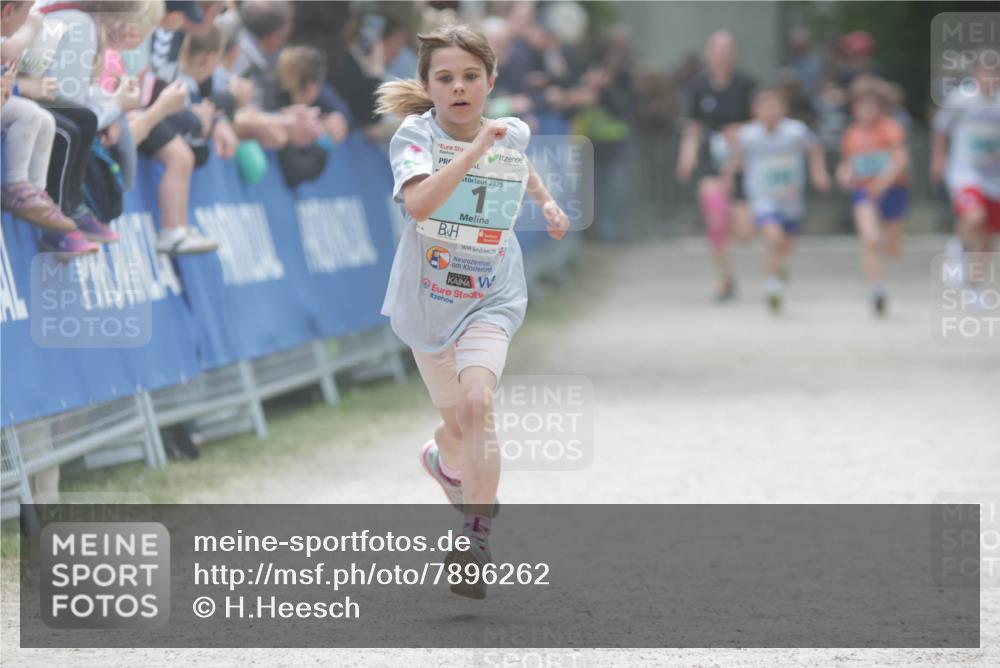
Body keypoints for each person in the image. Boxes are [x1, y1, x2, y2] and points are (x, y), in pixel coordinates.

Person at [375, 23, 569, 599]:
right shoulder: (414, 135)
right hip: (430, 300)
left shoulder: (509, 133)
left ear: (490, 80)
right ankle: (444, 458)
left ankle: (476, 538)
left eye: (469, 77)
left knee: (478, 401)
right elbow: (418, 203)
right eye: (445, 78)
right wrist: (476, 149)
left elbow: (519, 165)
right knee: (458, 423)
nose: (458, 88)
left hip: (493, 291)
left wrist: (547, 201)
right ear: (427, 85)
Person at [724, 87, 831, 314]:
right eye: (764, 106)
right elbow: (735, 157)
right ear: (755, 111)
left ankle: (780, 269)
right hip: (762, 197)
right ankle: (772, 286)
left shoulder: (796, 131)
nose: (770, 111)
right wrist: (728, 176)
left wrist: (818, 172)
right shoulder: (749, 134)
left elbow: (815, 149)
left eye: (774, 105)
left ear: (784, 109)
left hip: (790, 198)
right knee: (772, 235)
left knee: (787, 246)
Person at [676, 31, 756, 301]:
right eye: (716, 50)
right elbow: (694, 127)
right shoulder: (697, 87)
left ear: (734, 54)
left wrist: (741, 129)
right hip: (711, 160)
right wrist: (687, 156)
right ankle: (725, 278)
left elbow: (762, 122)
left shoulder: (747, 85)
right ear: (709, 54)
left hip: (743, 162)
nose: (721, 55)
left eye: (727, 50)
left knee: (745, 233)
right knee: (715, 217)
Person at [0, 0, 76, 233]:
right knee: (28, 113)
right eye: (27, 12)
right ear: (8, 12)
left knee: (46, 120)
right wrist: (30, 29)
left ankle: (35, 194)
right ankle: (15, 187)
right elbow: (6, 52)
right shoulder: (8, 39)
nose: (30, 17)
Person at [837, 76, 910, 316]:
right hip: (865, 193)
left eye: (871, 105)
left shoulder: (890, 128)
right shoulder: (851, 134)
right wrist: (844, 174)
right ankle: (876, 289)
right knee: (870, 239)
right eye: (861, 105)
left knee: (892, 247)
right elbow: (848, 164)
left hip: (893, 191)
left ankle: (887, 256)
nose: (865, 110)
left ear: (880, 107)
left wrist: (883, 182)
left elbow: (901, 160)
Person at [931, 50, 1000, 257]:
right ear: (976, 73)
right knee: (974, 216)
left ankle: (972, 285)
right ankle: (957, 249)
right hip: (965, 171)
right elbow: (941, 128)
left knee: (988, 236)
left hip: (994, 176)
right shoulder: (960, 98)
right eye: (985, 71)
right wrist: (938, 157)